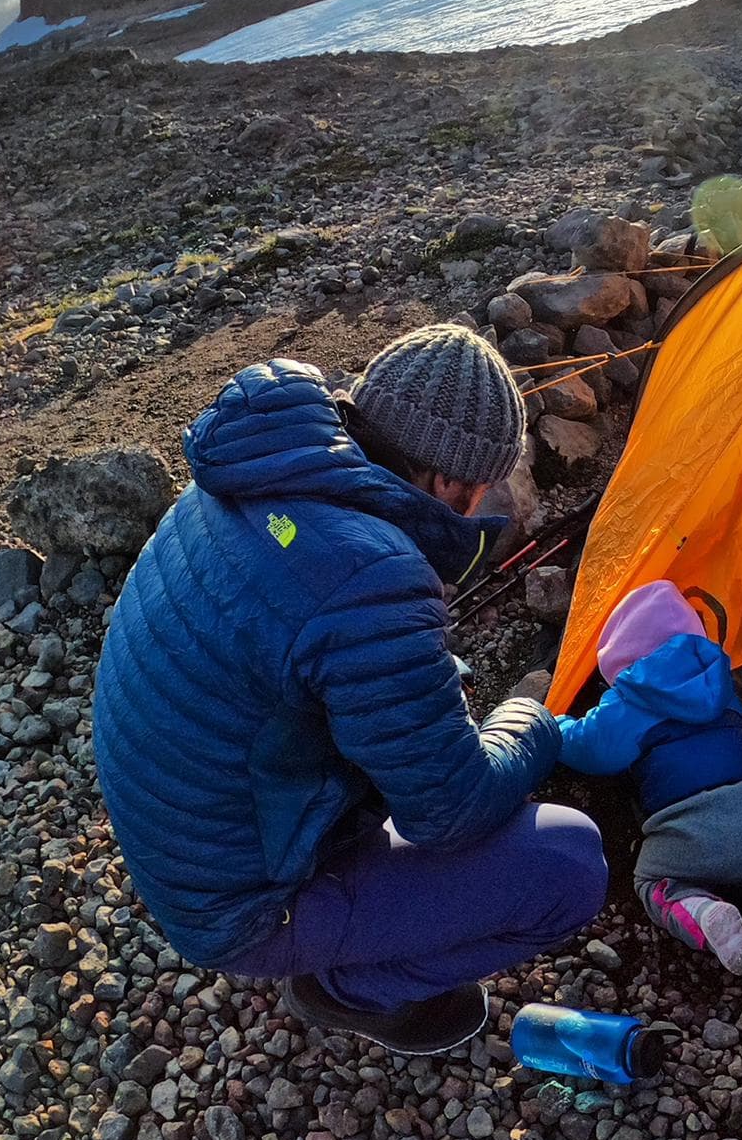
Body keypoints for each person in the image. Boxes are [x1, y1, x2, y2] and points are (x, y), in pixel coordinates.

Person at [93, 325, 607, 1054]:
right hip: (238, 904)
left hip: (186, 836)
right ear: (448, 483)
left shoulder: (263, 467)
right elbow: (449, 811)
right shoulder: (370, 574)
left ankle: (343, 928)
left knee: (422, 694)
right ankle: (347, 988)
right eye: (483, 490)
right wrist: (532, 718)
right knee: (569, 863)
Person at [557, 580, 742, 990]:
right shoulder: (719, 683)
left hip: (685, 833)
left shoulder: (630, 702)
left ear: (620, 659)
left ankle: (702, 911)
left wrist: (552, 725)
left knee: (652, 882)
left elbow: (589, 750)